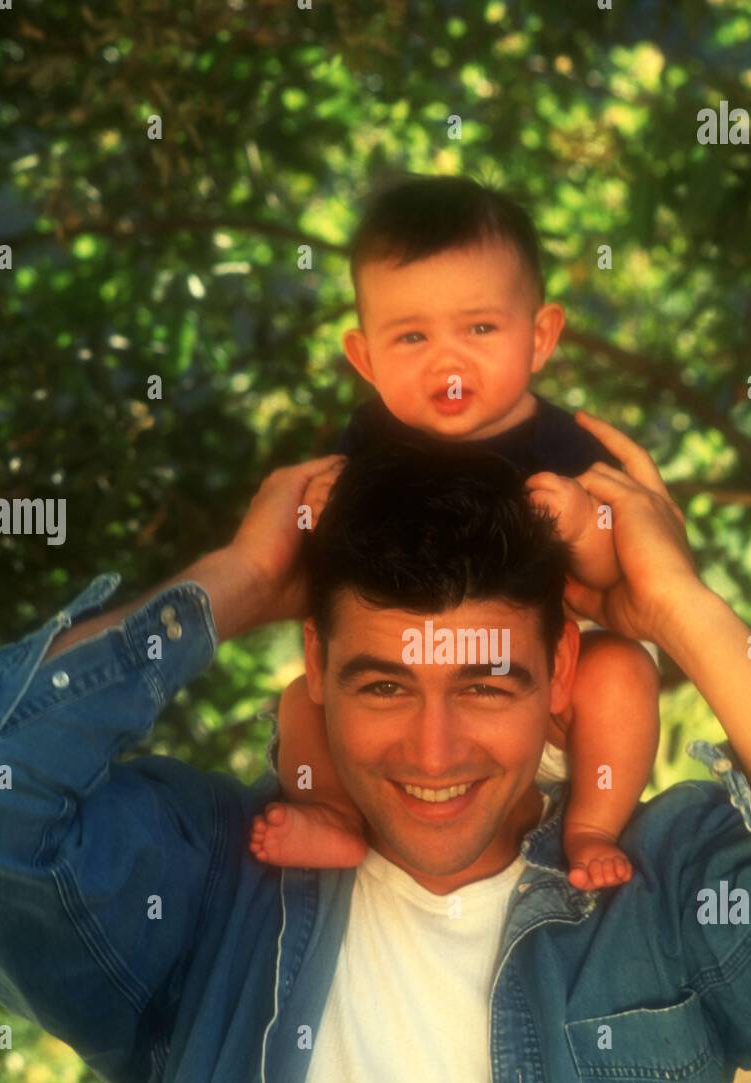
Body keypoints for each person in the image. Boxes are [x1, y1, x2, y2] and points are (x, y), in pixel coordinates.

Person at [0, 414, 751, 1083]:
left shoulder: (655, 892)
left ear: (560, 673)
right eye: (386, 685)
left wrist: (676, 605)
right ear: (315, 665)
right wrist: (234, 581)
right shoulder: (207, 892)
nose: (434, 754)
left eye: (483, 685)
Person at [252, 174, 659, 890]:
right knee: (301, 700)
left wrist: (584, 523)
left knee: (623, 668)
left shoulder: (560, 444)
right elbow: (329, 566)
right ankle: (334, 814)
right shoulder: (366, 442)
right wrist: (315, 509)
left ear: (539, 337)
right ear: (365, 357)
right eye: (411, 336)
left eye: (478, 328)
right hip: (409, 702)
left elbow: (609, 569)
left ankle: (592, 824)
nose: (447, 361)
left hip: (537, 698)